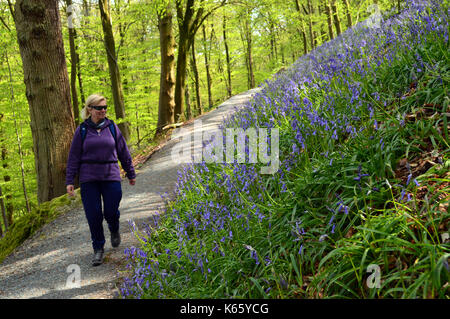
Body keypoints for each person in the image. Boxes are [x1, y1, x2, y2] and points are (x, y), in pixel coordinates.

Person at [66, 94, 136, 266]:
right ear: (90, 109)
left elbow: (123, 151)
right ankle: (98, 248)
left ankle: (114, 228)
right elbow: (73, 157)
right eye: (99, 108)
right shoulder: (82, 130)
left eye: (105, 107)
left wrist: (130, 172)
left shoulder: (112, 127)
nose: (103, 110)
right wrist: (70, 181)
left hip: (110, 174)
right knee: (93, 215)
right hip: (89, 178)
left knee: (111, 210)